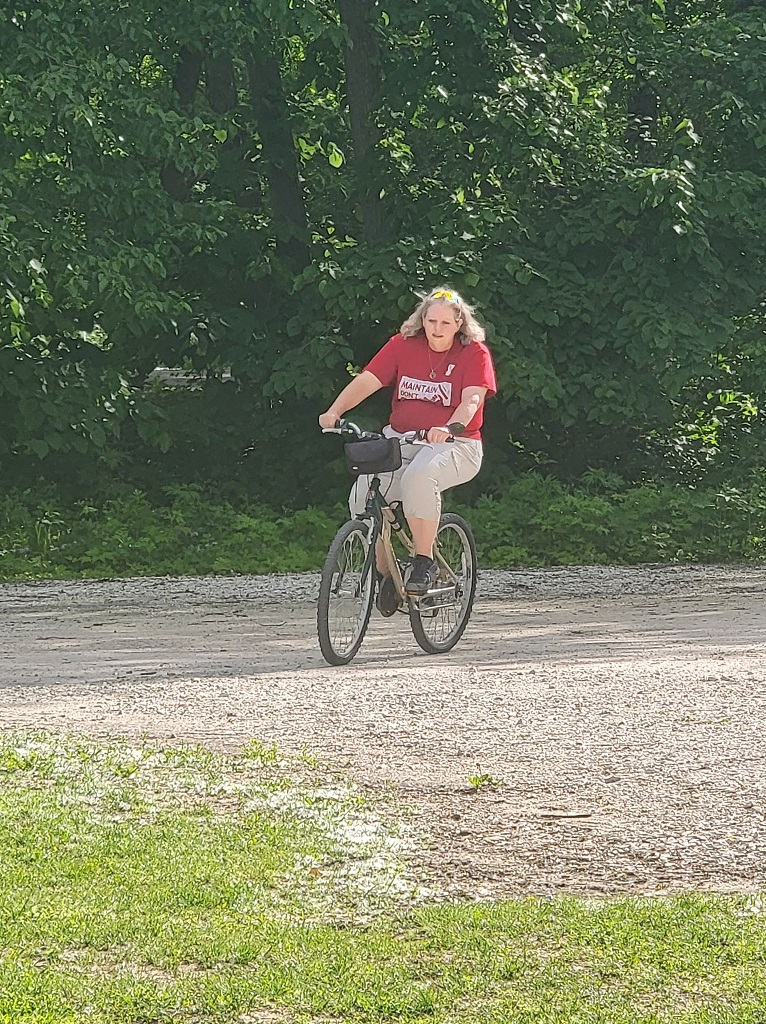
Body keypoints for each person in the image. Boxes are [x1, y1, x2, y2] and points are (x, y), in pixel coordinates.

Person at [318, 287, 497, 601]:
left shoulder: (474, 353)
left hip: (457, 444)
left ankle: (423, 562)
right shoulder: (402, 346)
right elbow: (368, 379)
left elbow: (471, 401)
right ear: (422, 319)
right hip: (403, 440)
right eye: (431, 321)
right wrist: (335, 412)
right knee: (363, 495)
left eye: (445, 322)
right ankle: (387, 575)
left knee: (420, 476)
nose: (436, 329)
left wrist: (449, 427)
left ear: (459, 324)